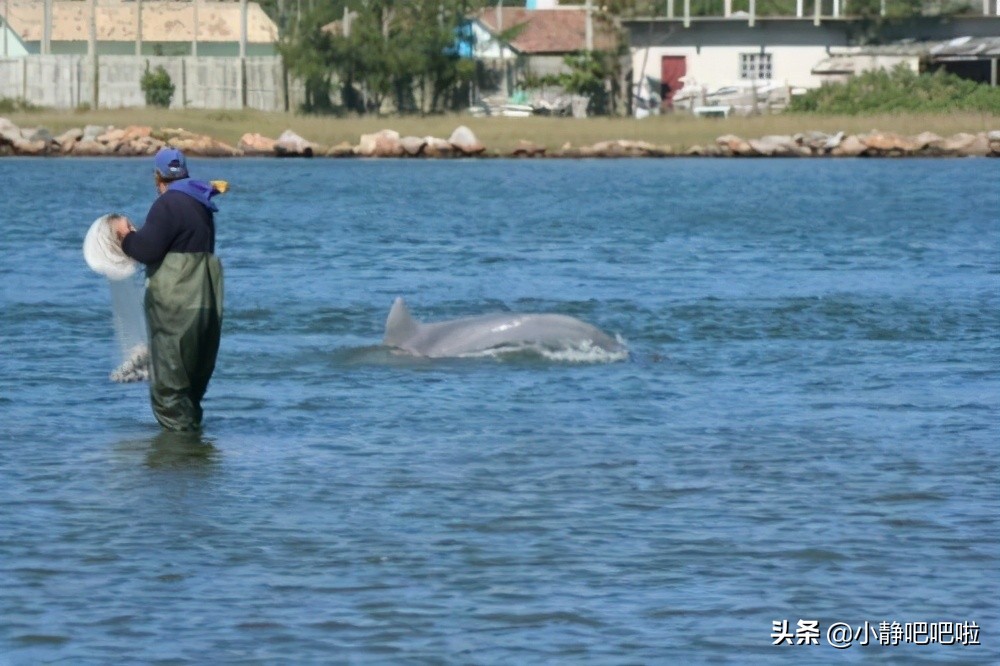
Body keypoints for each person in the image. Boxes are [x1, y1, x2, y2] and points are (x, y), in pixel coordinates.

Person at [114, 148, 225, 431]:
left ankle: (175, 466)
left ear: (157, 177)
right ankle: (197, 461)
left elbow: (146, 250)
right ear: (184, 173)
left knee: (170, 393)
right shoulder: (201, 204)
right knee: (192, 389)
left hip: (176, 309)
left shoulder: (167, 204)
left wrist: (125, 236)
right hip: (206, 306)